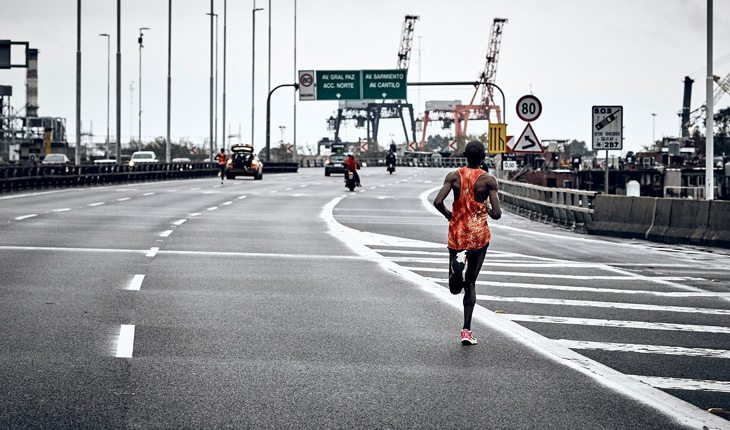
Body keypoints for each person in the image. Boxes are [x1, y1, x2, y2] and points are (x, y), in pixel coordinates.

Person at [433, 140, 501, 345]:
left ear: (464, 154)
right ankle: (466, 331)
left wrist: (449, 216)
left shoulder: (453, 176)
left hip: (457, 234)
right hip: (478, 236)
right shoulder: (488, 180)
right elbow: (497, 214)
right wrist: (486, 207)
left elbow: (437, 202)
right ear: (484, 157)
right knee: (470, 283)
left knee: (454, 288)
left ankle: (457, 267)